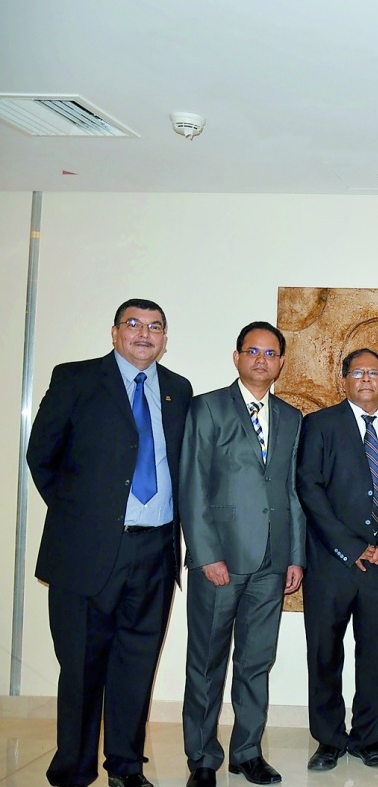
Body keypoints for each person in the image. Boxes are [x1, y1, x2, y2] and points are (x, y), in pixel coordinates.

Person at [27, 299, 193, 787]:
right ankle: (73, 770)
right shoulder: (76, 379)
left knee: (136, 666)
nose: (145, 334)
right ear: (115, 332)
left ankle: (125, 766)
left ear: (165, 338)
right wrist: (85, 518)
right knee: (80, 668)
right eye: (134, 325)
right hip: (88, 552)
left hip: (157, 551)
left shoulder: (178, 390)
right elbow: (43, 456)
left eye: (155, 327)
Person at [180, 321, 305, 787]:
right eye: (252, 351)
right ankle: (202, 759)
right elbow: (193, 485)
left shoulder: (291, 417)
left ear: (281, 364)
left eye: (270, 353)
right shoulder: (208, 408)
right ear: (236, 357)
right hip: (221, 563)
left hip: (272, 565)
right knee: (208, 662)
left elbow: (292, 491)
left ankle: (247, 752)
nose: (261, 360)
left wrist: (295, 555)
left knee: (256, 662)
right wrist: (205, 553)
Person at [296, 348, 378, 771]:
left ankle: (368, 739)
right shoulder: (320, 425)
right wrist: (351, 546)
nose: (366, 379)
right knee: (324, 654)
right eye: (357, 373)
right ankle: (328, 740)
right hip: (332, 564)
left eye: (373, 373)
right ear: (343, 380)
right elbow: (309, 489)